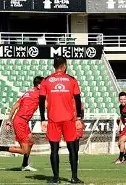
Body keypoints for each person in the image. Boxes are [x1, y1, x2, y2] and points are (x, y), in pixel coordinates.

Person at [39, 56, 84, 184]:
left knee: (54, 149)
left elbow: (41, 101)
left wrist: (43, 119)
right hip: (69, 119)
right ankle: (74, 177)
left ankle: (56, 178)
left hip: (53, 119)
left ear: (54, 66)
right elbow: (78, 99)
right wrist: (79, 117)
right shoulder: (71, 80)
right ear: (64, 65)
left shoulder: (46, 81)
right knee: (72, 148)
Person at [0, 76, 43, 172]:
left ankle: (25, 165)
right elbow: (47, 104)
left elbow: (13, 107)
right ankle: (0, 148)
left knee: (31, 142)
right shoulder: (38, 94)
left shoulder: (27, 93)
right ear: (39, 85)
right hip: (20, 122)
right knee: (24, 150)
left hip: (22, 121)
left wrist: (9, 120)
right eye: (44, 84)